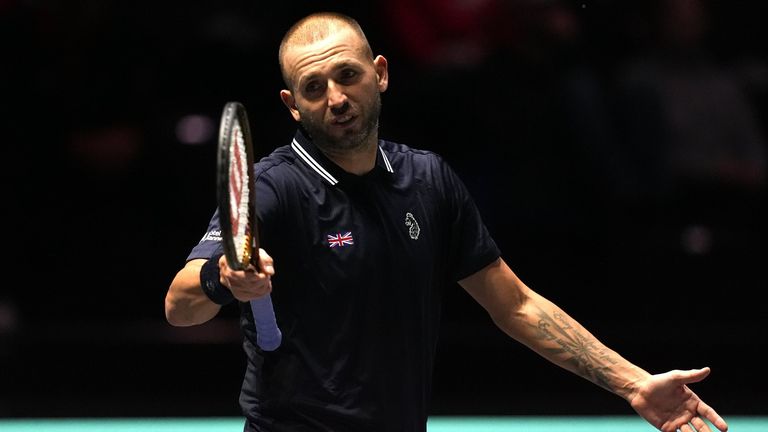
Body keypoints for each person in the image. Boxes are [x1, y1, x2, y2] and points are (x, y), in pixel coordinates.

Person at [165, 11, 729, 432]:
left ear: (379, 74)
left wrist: (633, 383)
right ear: (293, 104)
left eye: (347, 75)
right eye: (314, 88)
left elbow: (516, 304)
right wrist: (225, 279)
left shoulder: (428, 181)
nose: (336, 98)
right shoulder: (275, 187)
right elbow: (180, 303)